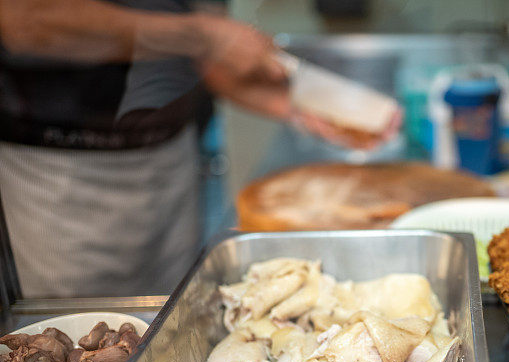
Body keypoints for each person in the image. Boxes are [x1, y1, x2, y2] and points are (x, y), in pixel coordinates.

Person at [0, 0, 397, 298]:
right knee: (75, 354)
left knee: (170, 334)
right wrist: (203, 34)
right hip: (59, 177)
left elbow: (198, 48)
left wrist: (293, 101)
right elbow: (22, 21)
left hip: (173, 160)